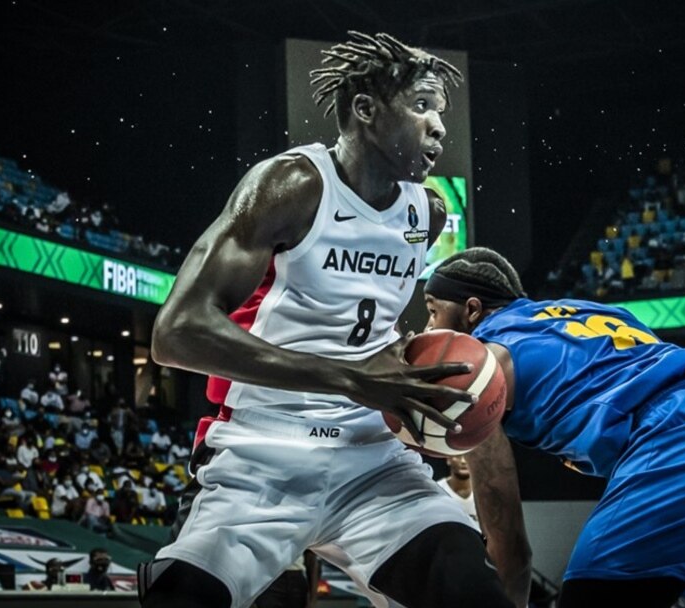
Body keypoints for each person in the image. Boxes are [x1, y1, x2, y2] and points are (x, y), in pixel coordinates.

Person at [140, 31, 510, 608]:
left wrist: (421, 387)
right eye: (421, 107)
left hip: (372, 458)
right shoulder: (290, 186)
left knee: (468, 586)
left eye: (441, 111)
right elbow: (175, 333)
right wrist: (348, 376)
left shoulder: (428, 212)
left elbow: (375, 331)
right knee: (183, 596)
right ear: (365, 110)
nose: (439, 126)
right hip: (264, 451)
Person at [421, 247, 685, 608]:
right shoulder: (583, 310)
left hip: (681, 437)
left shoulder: (477, 370)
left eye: (433, 311)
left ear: (470, 310)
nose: (427, 328)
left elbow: (511, 551)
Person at [436, 454, 478, 528]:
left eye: (467, 456)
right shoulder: (437, 491)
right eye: (458, 456)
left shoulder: (486, 492)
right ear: (448, 459)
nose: (463, 461)